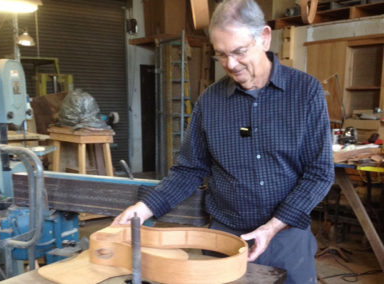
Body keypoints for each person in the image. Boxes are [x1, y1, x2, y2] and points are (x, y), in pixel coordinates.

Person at [113, 0, 334, 283]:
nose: (230, 64)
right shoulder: (211, 100)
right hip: (226, 237)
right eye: (221, 55)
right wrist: (145, 208)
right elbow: (189, 169)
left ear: (264, 38)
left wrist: (272, 227)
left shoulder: (305, 92)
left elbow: (319, 173)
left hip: (286, 235)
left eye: (239, 52)